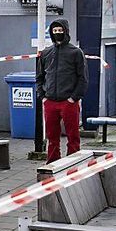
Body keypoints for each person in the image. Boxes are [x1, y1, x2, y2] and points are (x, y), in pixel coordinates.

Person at [35, 18, 88, 163]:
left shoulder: (76, 53)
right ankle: (52, 163)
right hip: (50, 101)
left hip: (68, 102)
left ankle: (72, 163)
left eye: (60, 30)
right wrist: (43, 96)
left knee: (73, 135)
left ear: (66, 31)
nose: (57, 33)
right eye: (55, 31)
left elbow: (82, 78)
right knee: (52, 136)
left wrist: (73, 98)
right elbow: (39, 77)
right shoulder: (46, 53)